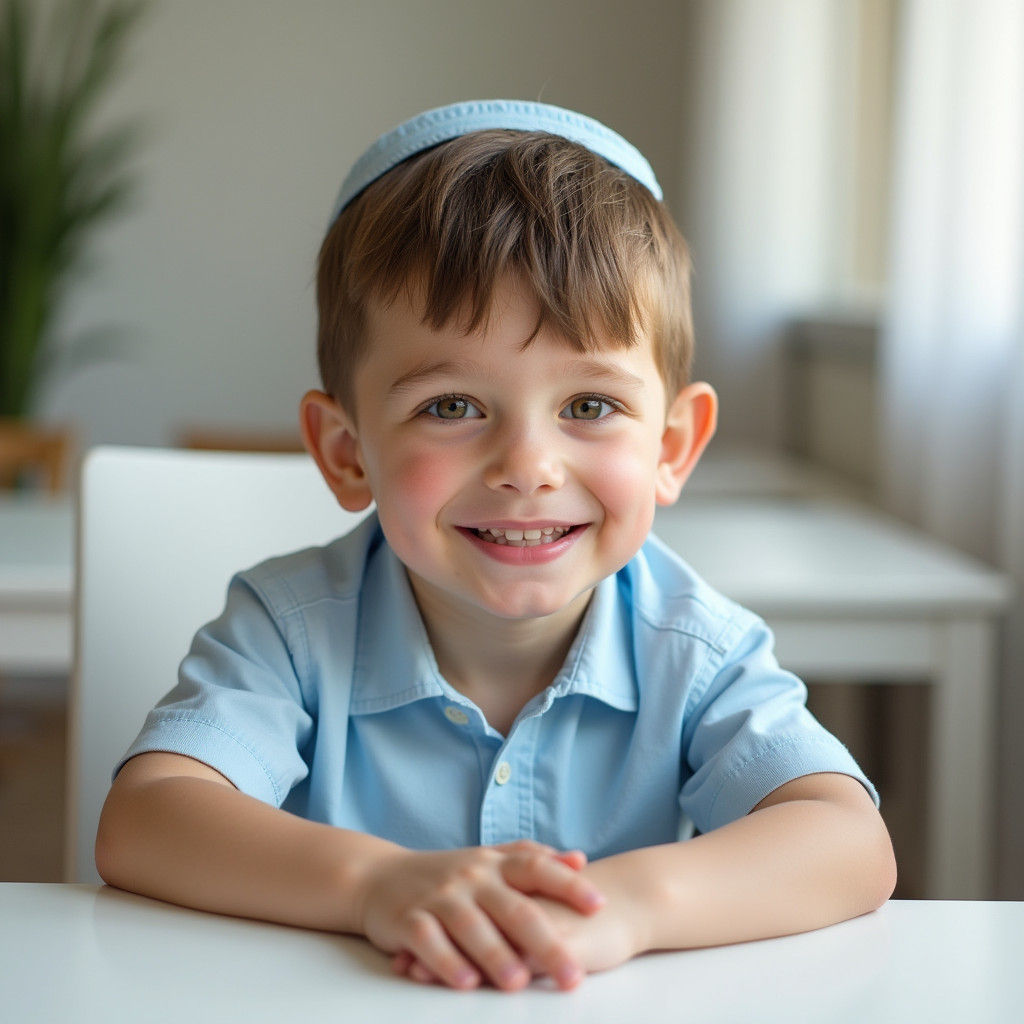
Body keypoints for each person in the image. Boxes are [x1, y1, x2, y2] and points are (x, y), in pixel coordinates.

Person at [96, 99, 896, 993]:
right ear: (347, 452)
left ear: (671, 448)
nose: (527, 467)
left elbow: (848, 841)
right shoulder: (290, 628)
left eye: (589, 406)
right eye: (451, 407)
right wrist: (374, 884)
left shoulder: (695, 647)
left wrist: (629, 906)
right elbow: (147, 819)